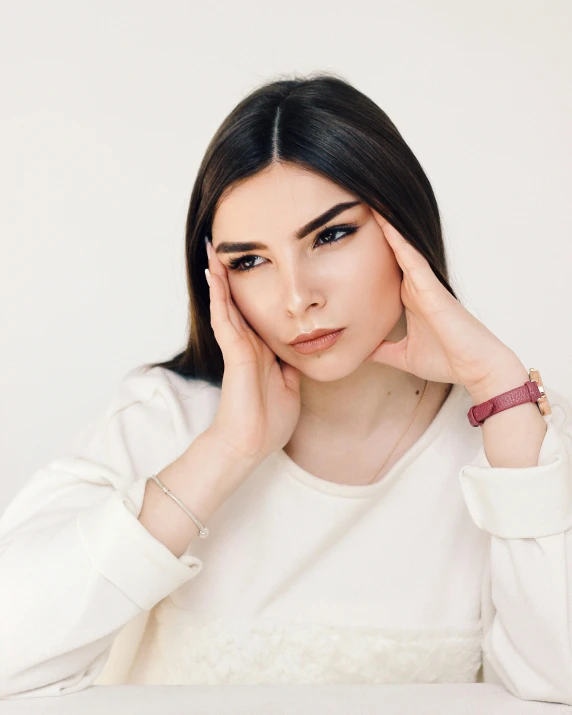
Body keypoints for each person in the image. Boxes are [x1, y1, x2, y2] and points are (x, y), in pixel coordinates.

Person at [1, 72, 571, 704]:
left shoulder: (510, 443)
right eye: (250, 261)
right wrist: (227, 451)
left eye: (330, 235)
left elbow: (556, 687)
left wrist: (501, 390)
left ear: (403, 227)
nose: (298, 297)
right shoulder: (164, 421)